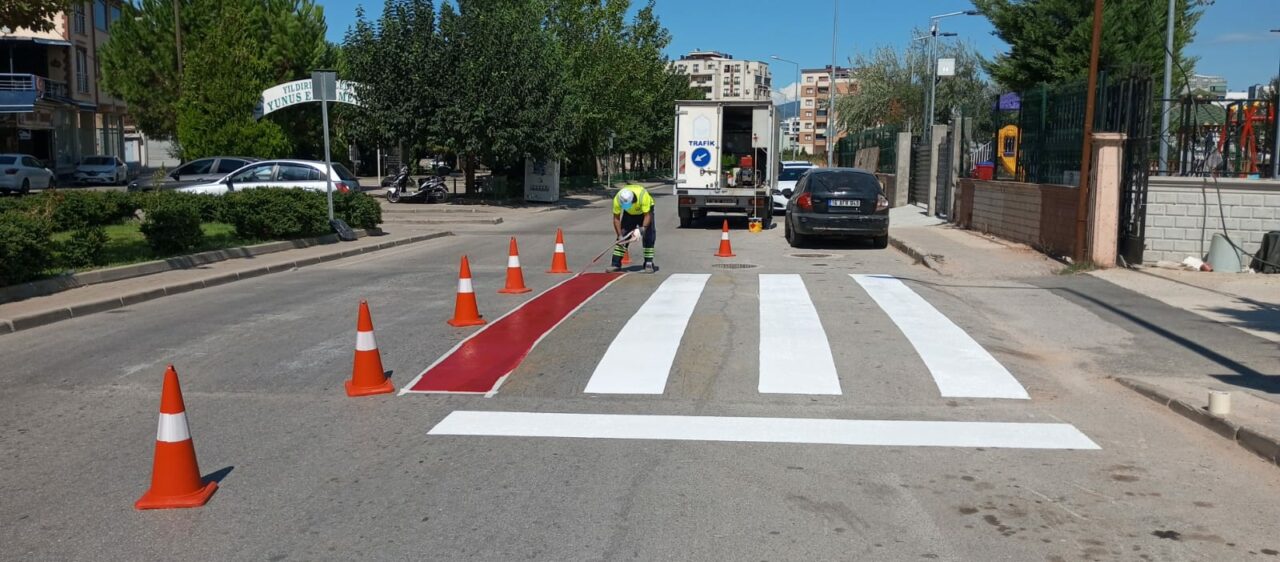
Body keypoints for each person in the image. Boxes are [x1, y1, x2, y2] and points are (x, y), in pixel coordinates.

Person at [609, 184, 657, 273]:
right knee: (623, 236)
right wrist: (619, 235)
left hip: (644, 213)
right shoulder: (618, 199)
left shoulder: (643, 196)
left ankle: (648, 263)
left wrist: (642, 230)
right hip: (629, 214)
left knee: (649, 236)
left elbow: (647, 216)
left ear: (633, 199)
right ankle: (615, 264)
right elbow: (616, 218)